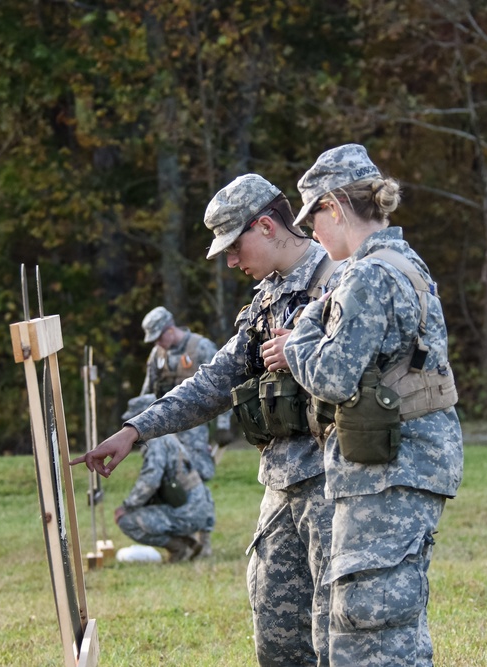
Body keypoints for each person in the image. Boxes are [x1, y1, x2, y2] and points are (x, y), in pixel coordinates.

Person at [72, 173, 345, 666]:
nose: (233, 262)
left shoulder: (343, 278)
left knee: (339, 636)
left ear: (265, 226)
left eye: (234, 248)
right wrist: (135, 431)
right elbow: (214, 381)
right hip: (282, 487)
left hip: (338, 484)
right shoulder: (266, 299)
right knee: (277, 634)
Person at [277, 144, 463, 666]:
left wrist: (299, 337)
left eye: (312, 215)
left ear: (334, 206)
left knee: (369, 631)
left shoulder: (366, 275)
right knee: (390, 620)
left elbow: (332, 378)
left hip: (390, 471)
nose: (310, 231)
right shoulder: (406, 261)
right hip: (405, 463)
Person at [139, 305, 234, 557]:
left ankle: (204, 540)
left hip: (195, 430)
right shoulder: (156, 355)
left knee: (197, 482)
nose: (158, 343)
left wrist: (223, 427)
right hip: (165, 431)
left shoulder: (201, 347)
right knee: (169, 482)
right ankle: (182, 541)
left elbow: (224, 387)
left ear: (170, 329)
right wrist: (139, 427)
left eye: (160, 337)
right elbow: (147, 392)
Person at [112, 394, 215, 563]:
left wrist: (126, 506)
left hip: (187, 513)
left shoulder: (156, 441)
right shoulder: (169, 437)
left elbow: (150, 480)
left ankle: (179, 547)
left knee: (127, 521)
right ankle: (189, 541)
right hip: (199, 512)